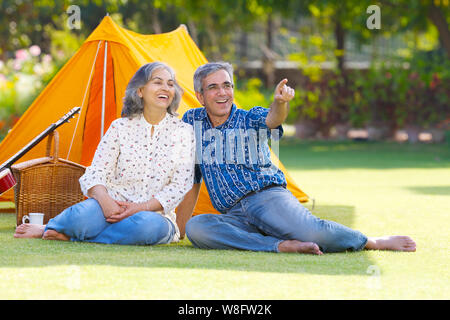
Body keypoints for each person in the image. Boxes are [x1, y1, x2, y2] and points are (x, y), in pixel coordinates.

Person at [176, 61, 416, 255]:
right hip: (234, 215)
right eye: (213, 87)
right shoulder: (192, 121)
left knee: (314, 233)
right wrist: (180, 230)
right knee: (198, 228)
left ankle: (371, 241)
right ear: (200, 95)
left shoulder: (249, 118)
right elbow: (192, 177)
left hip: (267, 199)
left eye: (227, 86)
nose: (222, 93)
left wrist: (280, 103)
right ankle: (278, 245)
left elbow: (272, 119)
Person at [14, 62, 195, 245]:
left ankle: (73, 235)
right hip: (110, 207)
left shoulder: (184, 132)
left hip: (154, 216)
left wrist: (141, 207)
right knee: (81, 216)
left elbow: (180, 185)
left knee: (147, 228)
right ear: (140, 91)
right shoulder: (120, 127)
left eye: (170, 84)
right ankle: (57, 227)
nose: (166, 88)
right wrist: (105, 201)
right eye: (158, 82)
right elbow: (96, 172)